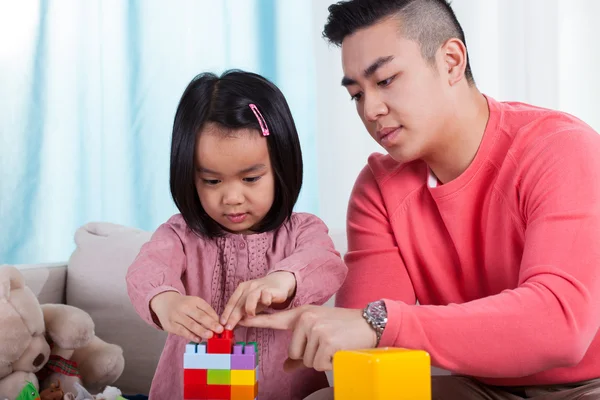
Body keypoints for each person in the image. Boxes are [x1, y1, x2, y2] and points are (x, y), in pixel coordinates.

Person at [241, 1, 600, 399]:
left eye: (387, 80)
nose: (371, 110)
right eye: (356, 94)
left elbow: (560, 326)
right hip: (477, 386)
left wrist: (381, 322)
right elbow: (364, 356)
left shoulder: (560, 149)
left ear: (450, 61)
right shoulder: (378, 188)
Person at [125, 70, 347, 400]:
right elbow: (145, 269)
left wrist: (282, 280)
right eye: (212, 181)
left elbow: (325, 263)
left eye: (250, 178)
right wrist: (165, 301)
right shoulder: (179, 234)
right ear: (189, 175)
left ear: (280, 167)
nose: (231, 198)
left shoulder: (303, 231)